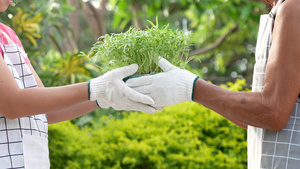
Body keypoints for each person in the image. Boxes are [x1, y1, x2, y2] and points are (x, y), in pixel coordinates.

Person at [126, 0, 300, 168]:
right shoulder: (280, 10)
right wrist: (190, 92)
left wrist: (192, 88)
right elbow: (260, 121)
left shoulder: (293, 7)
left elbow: (273, 112)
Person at [0, 1, 156, 168]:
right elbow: (13, 104)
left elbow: (45, 112)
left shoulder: (7, 35)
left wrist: (104, 97)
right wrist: (97, 87)